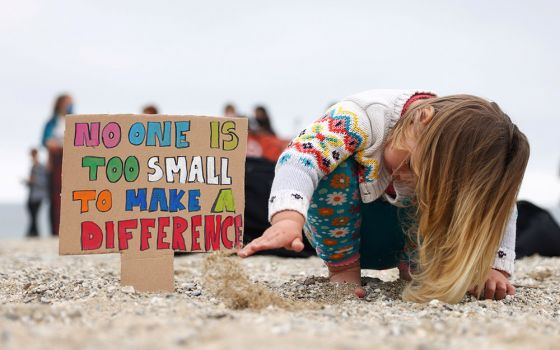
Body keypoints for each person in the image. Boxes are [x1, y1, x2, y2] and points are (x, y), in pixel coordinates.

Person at [238, 89, 529, 304]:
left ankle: (415, 271)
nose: (409, 179)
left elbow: (500, 204)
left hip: (407, 242)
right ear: (422, 119)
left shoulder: (453, 154)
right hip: (341, 230)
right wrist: (288, 219)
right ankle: (344, 272)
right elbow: (301, 158)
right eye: (413, 165)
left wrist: (494, 268)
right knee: (333, 169)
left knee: (443, 196)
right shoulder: (360, 117)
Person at [41, 94, 74, 236]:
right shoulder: (51, 122)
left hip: (70, 159)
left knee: (70, 194)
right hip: (56, 160)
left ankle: (70, 229)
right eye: (67, 102)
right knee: (55, 196)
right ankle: (55, 230)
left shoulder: (73, 120)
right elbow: (45, 140)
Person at [24, 148, 48, 237]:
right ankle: (34, 233)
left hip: (38, 195)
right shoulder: (33, 167)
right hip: (32, 194)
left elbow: (44, 182)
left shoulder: (41, 167)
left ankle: (33, 233)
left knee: (34, 215)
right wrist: (27, 182)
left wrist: (34, 180)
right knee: (32, 215)